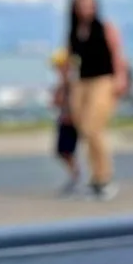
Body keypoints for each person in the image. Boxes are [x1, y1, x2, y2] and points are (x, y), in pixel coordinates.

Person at [63, 0, 128, 201]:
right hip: (81, 82)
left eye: (89, 3)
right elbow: (70, 61)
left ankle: (105, 178)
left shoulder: (105, 27)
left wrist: (121, 78)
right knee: (84, 130)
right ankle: (95, 177)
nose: (85, 7)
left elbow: (117, 53)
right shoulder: (74, 31)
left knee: (94, 127)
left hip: (103, 80)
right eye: (81, 3)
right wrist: (63, 86)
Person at [50, 48, 80, 196]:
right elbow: (56, 102)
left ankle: (76, 177)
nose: (57, 70)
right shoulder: (63, 82)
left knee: (66, 150)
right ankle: (75, 176)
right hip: (64, 120)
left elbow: (68, 102)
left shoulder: (72, 82)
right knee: (62, 151)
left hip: (71, 121)